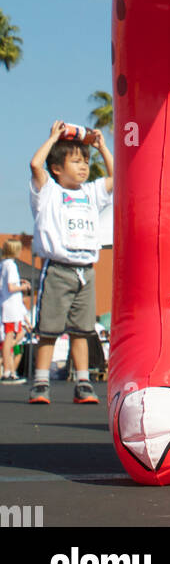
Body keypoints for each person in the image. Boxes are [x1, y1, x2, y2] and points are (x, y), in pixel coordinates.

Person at [28, 121, 113, 405]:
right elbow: (35, 164)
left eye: (85, 161)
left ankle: (83, 382)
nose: (83, 166)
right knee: (48, 331)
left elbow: (117, 177)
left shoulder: (90, 192)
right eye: (75, 161)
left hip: (86, 271)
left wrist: (101, 147)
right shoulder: (48, 192)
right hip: (58, 269)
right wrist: (53, 138)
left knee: (82, 330)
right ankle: (41, 383)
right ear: (57, 168)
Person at [1, 239, 29, 383]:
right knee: (9, 338)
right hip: (11, 307)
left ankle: (10, 370)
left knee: (11, 337)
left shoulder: (4, 265)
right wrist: (23, 288)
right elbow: (11, 288)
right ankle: (7, 371)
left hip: (8, 306)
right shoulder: (11, 265)